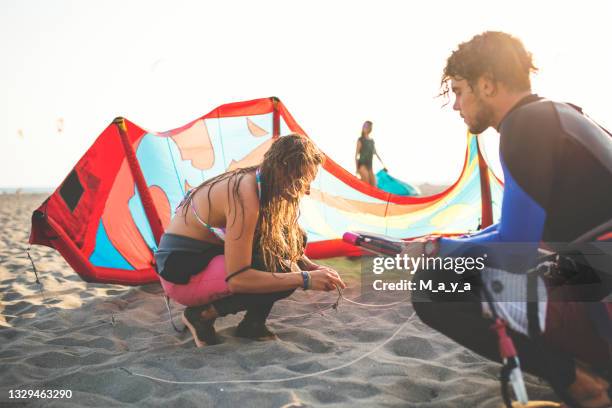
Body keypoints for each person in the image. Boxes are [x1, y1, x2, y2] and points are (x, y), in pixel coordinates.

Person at [407, 31, 611, 407]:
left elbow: (515, 252)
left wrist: (439, 256)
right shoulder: (558, 114)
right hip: (595, 272)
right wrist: (441, 244)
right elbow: (512, 230)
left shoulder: (525, 126)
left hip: (599, 287)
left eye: (458, 90)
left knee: (434, 285)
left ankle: (579, 381)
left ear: (486, 84)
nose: (456, 105)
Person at [155, 134, 346, 347]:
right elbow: (239, 278)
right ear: (283, 169)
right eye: (303, 180)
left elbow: (281, 243)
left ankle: (252, 326)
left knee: (294, 238)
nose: (307, 190)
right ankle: (202, 314)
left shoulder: (261, 180)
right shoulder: (244, 194)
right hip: (181, 271)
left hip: (204, 257)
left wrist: (310, 267)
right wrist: (305, 278)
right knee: (283, 271)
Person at [355, 120, 385, 186]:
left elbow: (376, 153)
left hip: (370, 166)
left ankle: (358, 184)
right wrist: (357, 169)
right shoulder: (360, 140)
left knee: (373, 186)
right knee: (366, 185)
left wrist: (383, 165)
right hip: (362, 165)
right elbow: (356, 155)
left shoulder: (371, 141)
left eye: (367, 126)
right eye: (364, 125)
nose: (365, 127)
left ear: (370, 128)